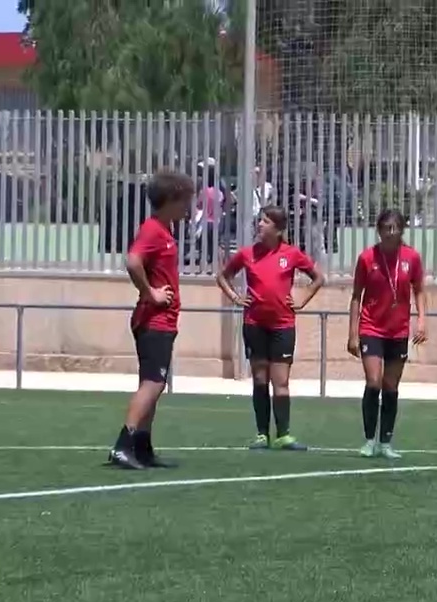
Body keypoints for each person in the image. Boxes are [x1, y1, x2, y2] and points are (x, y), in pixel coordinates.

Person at [216, 205, 326, 450]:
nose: (260, 225)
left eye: (265, 221)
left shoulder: (292, 254)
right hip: (254, 324)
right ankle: (262, 434)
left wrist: (301, 301)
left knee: (281, 381)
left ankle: (284, 434)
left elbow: (318, 278)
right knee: (259, 378)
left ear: (278, 229)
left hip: (283, 325)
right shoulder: (247, 254)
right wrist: (235, 297)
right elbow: (223, 276)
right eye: (260, 220)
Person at [108, 169, 197, 470]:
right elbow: (133, 261)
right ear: (171, 199)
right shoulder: (152, 229)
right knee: (153, 383)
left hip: (164, 321)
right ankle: (123, 445)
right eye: (185, 201)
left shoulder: (164, 230)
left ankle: (143, 448)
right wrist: (150, 293)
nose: (188, 207)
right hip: (154, 320)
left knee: (153, 383)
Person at [348, 209, 428, 458]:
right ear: (379, 230)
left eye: (395, 228)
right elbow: (356, 296)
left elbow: (420, 291)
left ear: (402, 229)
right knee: (373, 382)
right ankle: (370, 440)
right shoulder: (367, 258)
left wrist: (422, 320)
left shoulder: (411, 258)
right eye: (386, 228)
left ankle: (386, 442)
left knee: (391, 386)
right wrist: (352, 333)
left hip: (398, 330)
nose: (390, 233)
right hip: (371, 327)